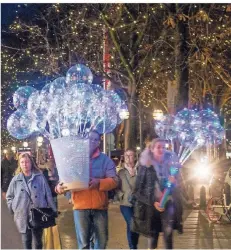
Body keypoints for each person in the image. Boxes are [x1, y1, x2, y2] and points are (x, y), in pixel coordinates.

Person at [56, 130, 118, 249]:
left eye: (95, 139)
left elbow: (114, 181)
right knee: (84, 244)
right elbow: (63, 182)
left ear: (99, 142)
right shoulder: (74, 160)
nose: (92, 141)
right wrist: (59, 188)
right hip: (81, 207)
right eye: (90, 139)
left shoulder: (105, 160)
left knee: (102, 241)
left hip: (100, 207)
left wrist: (99, 182)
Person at [131, 138, 182, 249]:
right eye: (158, 147)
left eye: (164, 147)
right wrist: (153, 202)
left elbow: (179, 186)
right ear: (152, 149)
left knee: (168, 233)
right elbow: (137, 191)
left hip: (168, 204)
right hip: (151, 207)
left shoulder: (171, 165)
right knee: (152, 235)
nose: (161, 149)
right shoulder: (145, 166)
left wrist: (175, 182)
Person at [6, 153, 57, 249]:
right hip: (22, 214)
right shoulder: (15, 180)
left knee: (38, 242)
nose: (25, 164)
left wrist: (53, 210)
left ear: (31, 163)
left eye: (27, 162)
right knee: (26, 241)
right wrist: (13, 208)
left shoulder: (39, 177)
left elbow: (48, 194)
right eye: (22, 162)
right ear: (19, 164)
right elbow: (9, 196)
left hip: (38, 213)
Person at [117, 148, 139, 249]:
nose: (128, 158)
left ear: (135, 157)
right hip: (125, 203)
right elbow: (115, 187)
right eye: (126, 155)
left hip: (138, 203)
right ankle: (132, 247)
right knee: (131, 222)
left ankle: (134, 245)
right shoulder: (120, 172)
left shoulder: (140, 171)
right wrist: (121, 195)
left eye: (130, 155)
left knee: (135, 225)